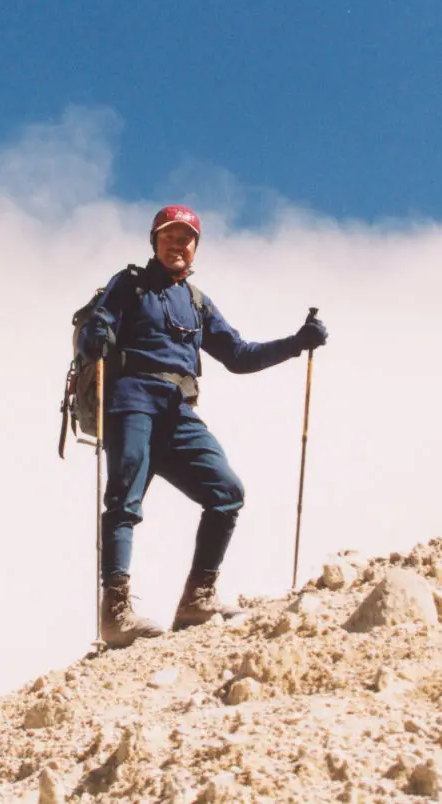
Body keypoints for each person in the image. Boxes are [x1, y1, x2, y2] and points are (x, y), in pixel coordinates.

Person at [77, 204, 328, 649]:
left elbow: (238, 355)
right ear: (154, 241)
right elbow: (95, 327)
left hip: (178, 411)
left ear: (195, 247)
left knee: (226, 492)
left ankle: (197, 600)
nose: (177, 244)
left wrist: (296, 343)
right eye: (169, 236)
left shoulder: (196, 303)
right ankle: (115, 615)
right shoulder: (129, 285)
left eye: (185, 238)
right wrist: (94, 336)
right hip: (131, 399)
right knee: (123, 500)